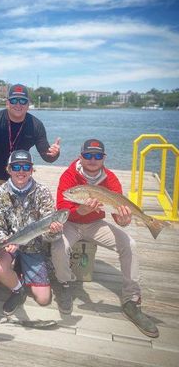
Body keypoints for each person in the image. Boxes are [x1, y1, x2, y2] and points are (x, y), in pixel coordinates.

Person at [51, 139, 159, 338]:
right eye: (88, 155)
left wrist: (125, 219)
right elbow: (61, 206)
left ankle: (131, 299)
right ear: (80, 156)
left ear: (104, 158)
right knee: (59, 246)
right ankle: (64, 285)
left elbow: (118, 215)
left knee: (130, 244)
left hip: (95, 225)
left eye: (97, 156)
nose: (92, 160)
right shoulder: (69, 175)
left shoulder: (110, 179)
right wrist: (80, 210)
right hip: (71, 224)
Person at [0, 149, 63, 315]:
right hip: (11, 245)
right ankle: (18, 289)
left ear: (31, 169)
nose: (21, 171)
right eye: (16, 167)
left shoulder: (42, 192)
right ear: (8, 169)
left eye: (26, 167)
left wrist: (53, 232)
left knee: (44, 299)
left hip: (35, 247)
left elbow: (49, 234)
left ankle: (23, 269)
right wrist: (7, 242)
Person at [0, 83, 61, 204]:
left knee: (20, 218)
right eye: (14, 100)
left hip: (21, 177)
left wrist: (54, 154)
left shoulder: (35, 125)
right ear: (7, 103)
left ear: (28, 105)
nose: (18, 104)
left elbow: (47, 157)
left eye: (22, 101)